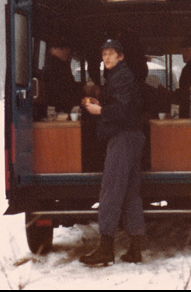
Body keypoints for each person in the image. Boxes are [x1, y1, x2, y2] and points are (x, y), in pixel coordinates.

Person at [80, 39, 146, 266]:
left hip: (123, 137)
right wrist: (102, 103)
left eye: (111, 54)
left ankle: (106, 250)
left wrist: (100, 110)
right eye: (104, 54)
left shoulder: (122, 77)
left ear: (121, 56)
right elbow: (121, 105)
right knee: (130, 193)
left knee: (110, 191)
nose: (106, 57)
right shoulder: (117, 77)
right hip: (131, 136)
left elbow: (123, 110)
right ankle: (135, 249)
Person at [41, 40, 81, 114]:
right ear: (52, 50)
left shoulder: (63, 65)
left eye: (67, 48)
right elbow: (64, 90)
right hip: (59, 109)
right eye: (62, 49)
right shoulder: (54, 67)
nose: (66, 51)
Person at [175, 44, 191, 118]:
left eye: (188, 50)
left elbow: (185, 93)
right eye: (182, 51)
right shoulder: (188, 68)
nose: (184, 54)